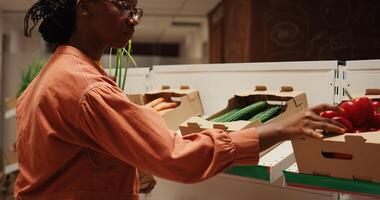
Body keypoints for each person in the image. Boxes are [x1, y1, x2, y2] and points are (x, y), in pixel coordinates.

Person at [15, 0, 346, 199]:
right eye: (122, 6)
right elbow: (178, 158)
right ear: (83, 6)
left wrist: (132, 140)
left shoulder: (52, 76)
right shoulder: (88, 87)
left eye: (136, 8)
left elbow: (74, 159)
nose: (134, 18)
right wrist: (282, 129)